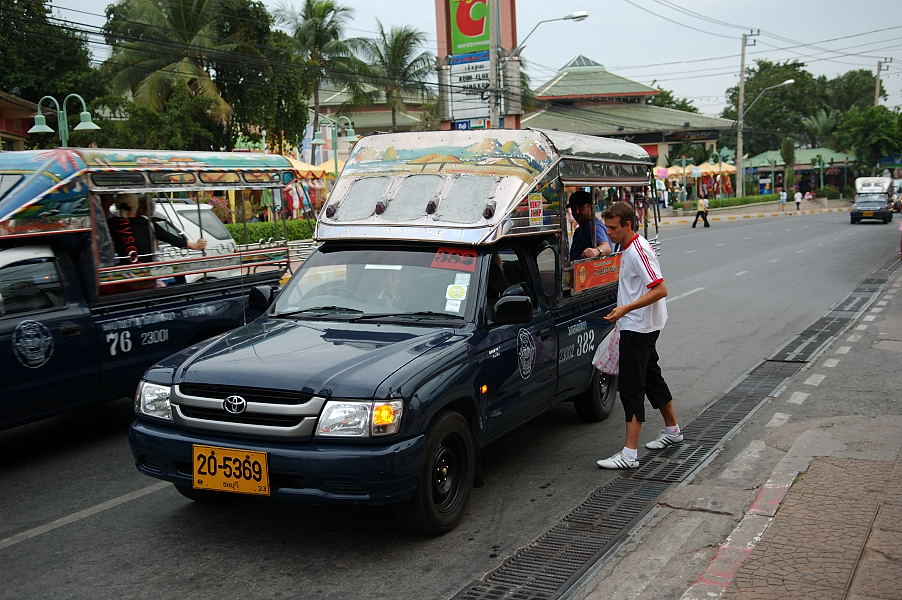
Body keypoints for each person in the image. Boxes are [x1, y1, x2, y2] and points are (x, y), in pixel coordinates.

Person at [596, 201, 681, 470]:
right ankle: (673, 431)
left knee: (631, 387)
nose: (608, 233)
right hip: (640, 325)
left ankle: (629, 455)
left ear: (628, 225)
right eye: (607, 227)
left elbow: (660, 289)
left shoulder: (637, 250)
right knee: (652, 378)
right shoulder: (630, 247)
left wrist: (625, 309)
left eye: (612, 228)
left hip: (638, 327)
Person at [568, 190, 612, 260]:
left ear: (591, 207)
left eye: (581, 208)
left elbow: (606, 247)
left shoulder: (593, 226)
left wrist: (596, 251)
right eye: (574, 208)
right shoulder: (579, 230)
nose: (577, 212)